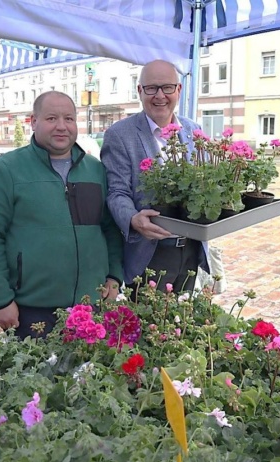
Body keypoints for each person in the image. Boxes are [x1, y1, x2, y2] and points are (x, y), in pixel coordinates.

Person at [0, 91, 124, 339]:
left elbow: (109, 228)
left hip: (91, 308)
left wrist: (114, 276)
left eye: (69, 119)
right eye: (52, 118)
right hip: (31, 311)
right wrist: (0, 299)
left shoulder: (95, 171)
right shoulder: (8, 170)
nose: (62, 127)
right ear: (34, 122)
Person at [101, 59, 207, 294]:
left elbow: (205, 183)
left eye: (167, 87)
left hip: (192, 249)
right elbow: (116, 191)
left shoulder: (194, 131)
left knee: (186, 323)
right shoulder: (120, 134)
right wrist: (132, 219)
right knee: (150, 326)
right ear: (140, 91)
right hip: (149, 254)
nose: (160, 95)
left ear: (178, 90)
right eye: (151, 88)